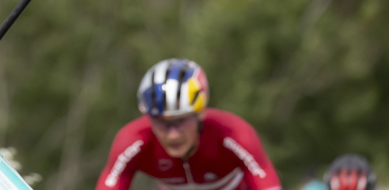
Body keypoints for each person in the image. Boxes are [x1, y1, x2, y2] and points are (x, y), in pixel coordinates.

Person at [96, 59, 281, 190]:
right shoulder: (132, 139)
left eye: (182, 120)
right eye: (160, 122)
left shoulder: (233, 133)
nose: (173, 134)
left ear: (200, 113)